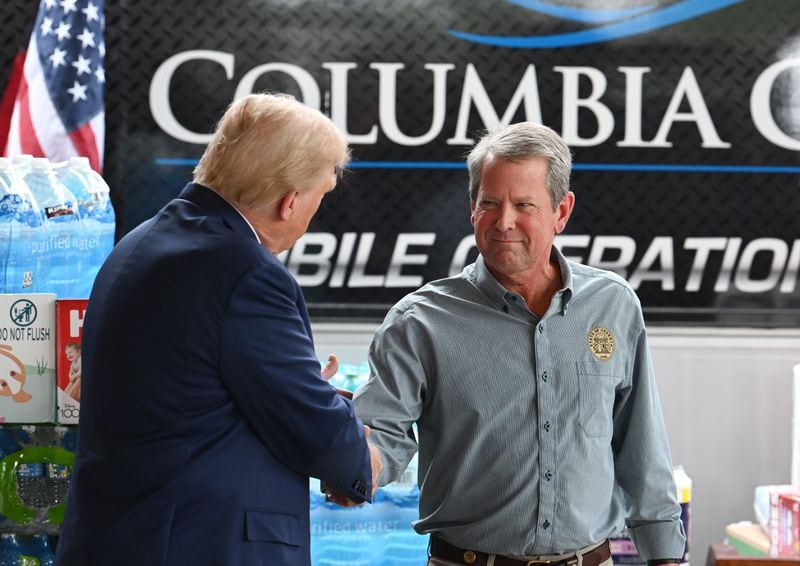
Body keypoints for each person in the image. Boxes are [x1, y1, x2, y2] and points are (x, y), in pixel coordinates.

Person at [57, 93, 381, 566]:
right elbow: (311, 427)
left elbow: (194, 390)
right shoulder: (247, 274)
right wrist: (359, 463)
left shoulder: (139, 242)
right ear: (290, 202)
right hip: (201, 542)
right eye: (320, 197)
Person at [353, 122, 686, 566]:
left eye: (524, 204)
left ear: (561, 212)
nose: (504, 221)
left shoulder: (613, 305)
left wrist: (666, 556)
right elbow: (383, 436)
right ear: (472, 208)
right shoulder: (420, 321)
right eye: (489, 203)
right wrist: (351, 465)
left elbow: (640, 445)